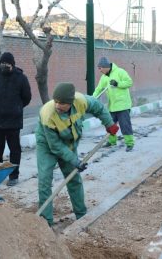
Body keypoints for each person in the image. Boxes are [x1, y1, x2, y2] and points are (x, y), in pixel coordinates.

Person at [36, 82, 119, 226]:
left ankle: (81, 215)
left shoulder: (81, 101)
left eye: (61, 103)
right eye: (56, 101)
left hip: (69, 143)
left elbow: (99, 108)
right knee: (44, 180)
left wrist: (109, 123)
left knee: (74, 179)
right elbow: (55, 146)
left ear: (70, 102)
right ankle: (46, 222)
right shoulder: (47, 114)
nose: (57, 105)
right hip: (47, 146)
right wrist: (75, 161)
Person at [0, 52, 32, 186]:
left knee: (14, 150)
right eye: (3, 64)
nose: (5, 66)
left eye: (8, 64)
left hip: (14, 121)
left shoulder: (21, 78)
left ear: (13, 65)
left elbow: (27, 97)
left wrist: (17, 107)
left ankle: (13, 175)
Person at [92, 57, 135, 152]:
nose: (99, 70)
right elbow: (99, 89)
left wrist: (117, 83)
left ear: (105, 67)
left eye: (100, 68)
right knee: (110, 124)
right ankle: (112, 142)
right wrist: (92, 99)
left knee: (125, 125)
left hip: (123, 105)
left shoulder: (120, 72)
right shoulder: (104, 77)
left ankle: (129, 143)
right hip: (112, 106)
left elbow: (129, 82)